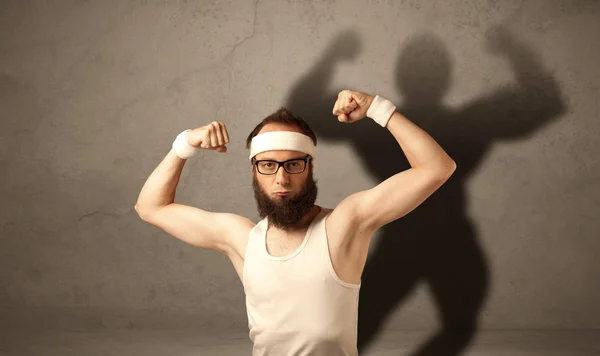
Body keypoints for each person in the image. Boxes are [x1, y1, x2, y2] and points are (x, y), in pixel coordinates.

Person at [134, 89, 456, 356]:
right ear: (254, 171)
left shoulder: (344, 225)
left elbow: (436, 168)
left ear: (310, 167)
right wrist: (185, 144)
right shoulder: (241, 239)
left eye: (293, 164)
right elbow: (150, 206)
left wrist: (377, 108)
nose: (282, 178)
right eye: (268, 165)